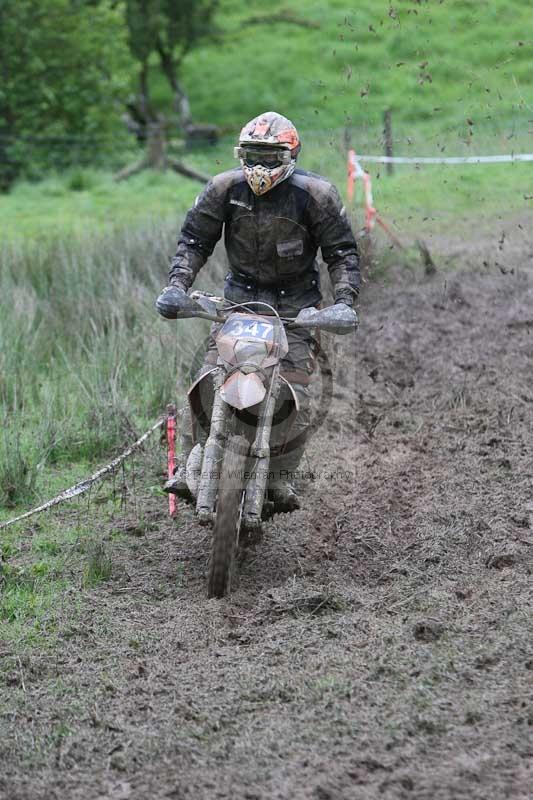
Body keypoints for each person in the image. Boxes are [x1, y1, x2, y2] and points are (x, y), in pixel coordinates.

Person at [162, 111, 360, 510]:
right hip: (238, 302)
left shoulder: (316, 195)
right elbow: (194, 241)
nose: (260, 166)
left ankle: (279, 476)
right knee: (207, 378)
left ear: (290, 156)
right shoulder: (223, 189)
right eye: (252, 155)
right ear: (239, 154)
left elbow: (341, 253)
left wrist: (343, 303)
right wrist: (177, 286)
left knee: (296, 393)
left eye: (270, 157)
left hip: (297, 307)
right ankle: (190, 465)